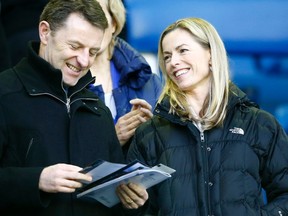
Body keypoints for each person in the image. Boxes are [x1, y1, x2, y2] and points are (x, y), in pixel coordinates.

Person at [127, 17, 288, 215]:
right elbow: (136, 208)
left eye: (182, 50)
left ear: (210, 54)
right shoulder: (149, 134)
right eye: (167, 56)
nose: (173, 62)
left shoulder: (259, 124)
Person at [0, 0, 148, 215]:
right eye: (75, 46)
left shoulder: (98, 110)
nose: (84, 60)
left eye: (93, 51)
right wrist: (37, 180)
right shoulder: (4, 94)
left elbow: (114, 201)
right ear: (44, 32)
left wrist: (130, 201)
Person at [88, 0, 162, 151]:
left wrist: (153, 130)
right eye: (85, 17)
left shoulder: (149, 81)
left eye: (99, 15)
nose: (92, 24)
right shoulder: (63, 83)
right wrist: (112, 138)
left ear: (114, 24)